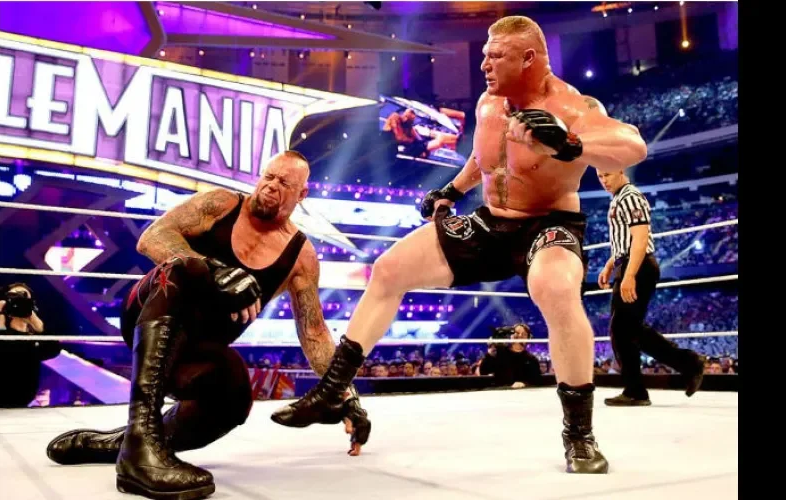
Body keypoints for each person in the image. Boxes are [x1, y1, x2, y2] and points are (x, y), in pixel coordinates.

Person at [271, 15, 649, 474]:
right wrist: (451, 190)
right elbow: (482, 159)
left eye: (496, 56)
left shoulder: (572, 105)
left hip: (549, 223)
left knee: (556, 288)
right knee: (388, 269)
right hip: (490, 222)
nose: (484, 64)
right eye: (485, 55)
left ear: (528, 58)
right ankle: (332, 391)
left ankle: (580, 436)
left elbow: (632, 145)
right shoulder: (490, 103)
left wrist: (568, 144)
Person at [45, 151, 371, 500]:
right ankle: (138, 454)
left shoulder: (300, 256)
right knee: (186, 268)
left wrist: (344, 393)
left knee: (235, 393)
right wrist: (215, 271)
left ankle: (129, 443)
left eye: (284, 183)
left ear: (301, 194)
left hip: (194, 354)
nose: (271, 187)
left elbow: (314, 332)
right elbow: (152, 237)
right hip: (150, 316)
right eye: (268, 177)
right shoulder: (222, 204)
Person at [596, 168, 705, 406]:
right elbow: (625, 242)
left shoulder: (630, 196)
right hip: (629, 264)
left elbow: (640, 238)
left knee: (622, 329)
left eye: (607, 175)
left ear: (620, 170)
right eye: (600, 176)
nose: (604, 180)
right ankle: (686, 364)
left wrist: (629, 275)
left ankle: (639, 389)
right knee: (628, 329)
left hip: (638, 266)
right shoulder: (619, 198)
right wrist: (610, 265)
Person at [477, 323, 543, 388]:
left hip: (523, 392)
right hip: (500, 391)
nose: (520, 336)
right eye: (517, 333)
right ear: (511, 335)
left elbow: (536, 380)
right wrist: (489, 355)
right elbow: (483, 372)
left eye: (524, 334)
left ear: (528, 338)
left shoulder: (531, 359)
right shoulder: (499, 354)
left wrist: (524, 383)